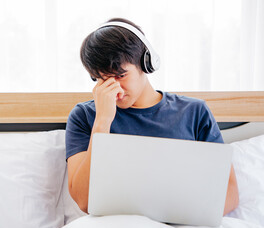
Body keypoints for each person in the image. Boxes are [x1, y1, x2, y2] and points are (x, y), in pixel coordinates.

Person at [65, 17, 239, 215]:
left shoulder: (194, 112)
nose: (115, 89)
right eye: (103, 79)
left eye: (121, 76)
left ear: (146, 64)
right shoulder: (85, 116)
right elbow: (84, 201)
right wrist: (102, 122)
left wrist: (180, 221)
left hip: (183, 227)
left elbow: (230, 192)